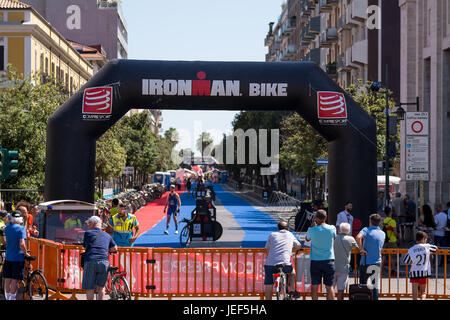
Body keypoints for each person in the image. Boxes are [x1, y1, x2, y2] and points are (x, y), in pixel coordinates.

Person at [263, 221, 302, 300]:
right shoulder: (290, 234)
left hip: (270, 264)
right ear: (288, 228)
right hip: (285, 265)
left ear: (278, 228)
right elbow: (299, 245)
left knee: (269, 285)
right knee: (292, 272)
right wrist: (292, 249)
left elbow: (267, 249)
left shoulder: (272, 235)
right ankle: (291, 289)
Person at [82, 216, 118, 300]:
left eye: (89, 223)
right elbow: (115, 248)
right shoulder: (107, 235)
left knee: (89, 287)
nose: (88, 225)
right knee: (101, 287)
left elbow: (85, 246)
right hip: (104, 262)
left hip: (91, 261)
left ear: (94, 223)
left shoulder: (88, 233)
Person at [305, 210, 336, 300]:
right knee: (329, 287)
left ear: (316, 218)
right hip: (329, 260)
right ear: (326, 218)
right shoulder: (332, 228)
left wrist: (311, 227)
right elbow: (334, 237)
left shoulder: (312, 230)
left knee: (315, 285)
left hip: (315, 260)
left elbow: (307, 239)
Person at [356, 214, 385, 301]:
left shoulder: (366, 230)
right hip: (377, 262)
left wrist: (361, 249)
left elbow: (358, 237)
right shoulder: (382, 233)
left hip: (365, 262)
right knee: (374, 286)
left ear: (370, 221)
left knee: (364, 286)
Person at [3, 211, 31, 300]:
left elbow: (5, 242)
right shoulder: (21, 229)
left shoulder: (7, 228)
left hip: (8, 257)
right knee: (15, 279)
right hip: (18, 258)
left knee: (7, 278)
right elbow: (22, 244)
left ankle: (7, 297)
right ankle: (12, 298)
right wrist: (26, 252)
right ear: (20, 219)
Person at [402, 231, 437, 300]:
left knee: (414, 293)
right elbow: (435, 248)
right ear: (423, 239)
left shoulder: (411, 249)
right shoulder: (427, 246)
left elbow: (406, 261)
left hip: (414, 272)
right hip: (423, 272)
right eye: (426, 239)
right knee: (423, 292)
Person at [333, 222, 361, 300]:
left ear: (339, 230)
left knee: (330, 288)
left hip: (332, 266)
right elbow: (357, 249)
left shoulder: (334, 238)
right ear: (349, 231)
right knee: (341, 289)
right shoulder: (351, 239)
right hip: (344, 267)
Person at [382, 206, 398, 276]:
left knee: (384, 256)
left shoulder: (384, 221)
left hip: (385, 241)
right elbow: (395, 232)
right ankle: (392, 270)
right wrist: (398, 236)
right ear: (390, 212)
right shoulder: (392, 221)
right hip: (392, 241)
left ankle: (380, 270)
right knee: (392, 257)